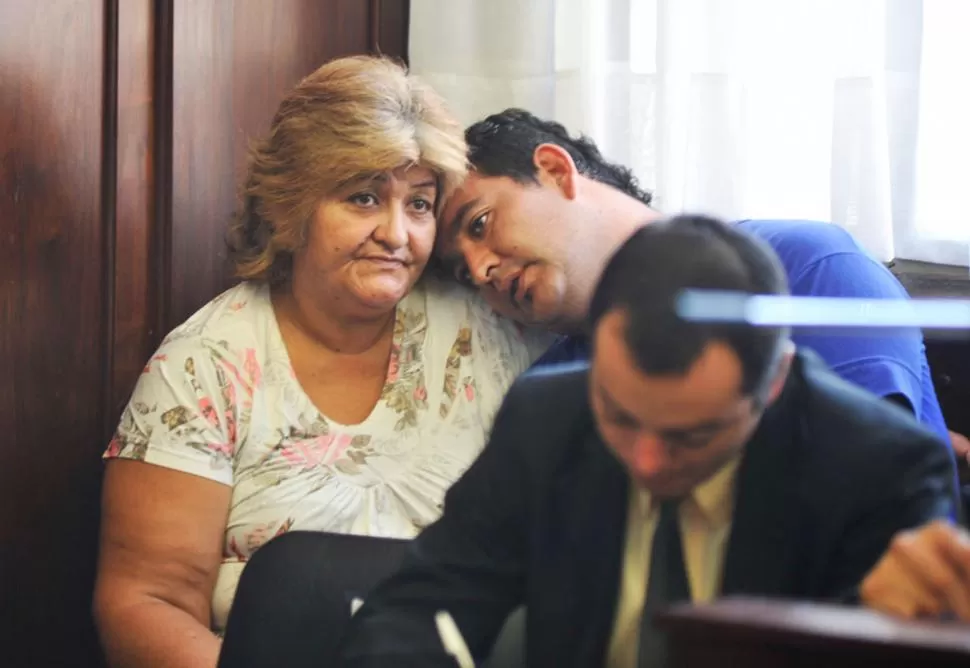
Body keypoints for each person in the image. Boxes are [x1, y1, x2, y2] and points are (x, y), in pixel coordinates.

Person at [338, 215, 956, 667]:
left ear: (774, 385)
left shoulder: (879, 469)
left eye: (692, 435)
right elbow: (424, 602)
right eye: (622, 416)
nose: (648, 461)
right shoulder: (548, 417)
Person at [92, 57, 549, 668]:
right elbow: (145, 602)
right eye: (364, 198)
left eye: (419, 204)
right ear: (293, 205)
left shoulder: (489, 329)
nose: (397, 233)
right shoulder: (205, 365)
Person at [433, 108, 958, 458]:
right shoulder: (546, 394)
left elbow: (871, 498)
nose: (481, 271)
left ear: (553, 170)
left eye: (480, 224)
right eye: (463, 272)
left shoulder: (808, 268)